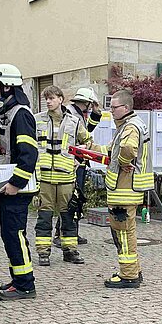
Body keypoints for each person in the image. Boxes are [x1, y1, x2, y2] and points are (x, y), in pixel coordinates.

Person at [0, 63, 39, 300]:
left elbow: (28, 154)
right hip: (8, 187)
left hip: (17, 188)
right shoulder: (8, 113)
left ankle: (25, 285)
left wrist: (15, 184)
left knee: (15, 234)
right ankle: (18, 279)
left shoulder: (21, 114)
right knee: (9, 235)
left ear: (7, 86)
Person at [104, 89, 152, 288]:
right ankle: (134, 271)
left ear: (126, 107)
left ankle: (128, 276)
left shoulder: (130, 127)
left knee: (123, 233)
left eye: (114, 107)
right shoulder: (132, 124)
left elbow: (128, 149)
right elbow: (114, 150)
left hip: (123, 190)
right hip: (129, 190)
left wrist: (124, 162)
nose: (111, 111)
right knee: (127, 231)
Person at [33, 85, 84, 266]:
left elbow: (87, 142)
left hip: (66, 179)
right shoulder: (36, 120)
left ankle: (70, 251)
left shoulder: (74, 122)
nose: (48, 102)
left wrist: (79, 160)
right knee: (44, 217)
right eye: (46, 98)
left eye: (52, 98)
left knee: (68, 217)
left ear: (61, 99)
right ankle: (43, 253)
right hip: (45, 179)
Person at [56, 86, 102, 247]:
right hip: (72, 163)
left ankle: (72, 232)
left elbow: (87, 130)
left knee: (77, 199)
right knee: (71, 199)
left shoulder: (78, 114)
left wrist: (96, 113)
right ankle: (61, 234)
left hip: (78, 162)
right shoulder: (70, 114)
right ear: (87, 103)